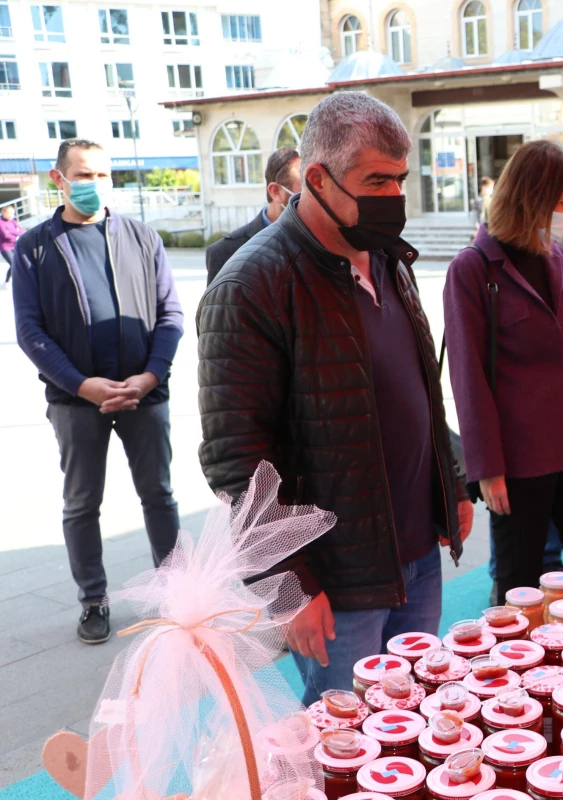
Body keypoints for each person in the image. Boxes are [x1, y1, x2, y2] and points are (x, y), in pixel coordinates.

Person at [197, 92, 471, 706]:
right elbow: (237, 460)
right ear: (315, 178)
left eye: (400, 180)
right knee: (343, 747)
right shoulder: (251, 286)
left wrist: (449, 486)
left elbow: (422, 390)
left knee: (410, 719)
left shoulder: (386, 258)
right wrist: (288, 589)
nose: (394, 197)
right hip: (337, 580)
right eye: (376, 180)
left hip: (415, 556)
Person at [12, 139, 183, 644]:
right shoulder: (34, 247)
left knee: (159, 494)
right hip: (76, 403)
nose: (96, 185)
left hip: (144, 394)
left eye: (105, 175)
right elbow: (30, 331)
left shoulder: (141, 237)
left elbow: (170, 316)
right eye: (85, 175)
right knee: (82, 503)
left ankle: (176, 594)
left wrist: (150, 376)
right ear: (58, 179)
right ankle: (94, 600)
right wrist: (81, 385)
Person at [444, 141, 563, 597]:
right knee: (521, 584)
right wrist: (487, 468)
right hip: (519, 459)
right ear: (532, 197)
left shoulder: (555, 257)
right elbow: (467, 376)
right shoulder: (473, 269)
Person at [204, 145, 302, 284]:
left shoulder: (325, 243)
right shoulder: (226, 252)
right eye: (305, 186)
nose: (315, 195)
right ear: (275, 191)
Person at [1, 203, 23, 285]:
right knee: (13, 263)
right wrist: (15, 232)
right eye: (9, 213)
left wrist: (10, 231)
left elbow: (21, 232)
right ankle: (10, 281)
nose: (11, 215)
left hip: (14, 245)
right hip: (5, 247)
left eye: (13, 213)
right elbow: (5, 235)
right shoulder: (1, 222)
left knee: (17, 263)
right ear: (4, 212)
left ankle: (6, 281)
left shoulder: (13, 222)